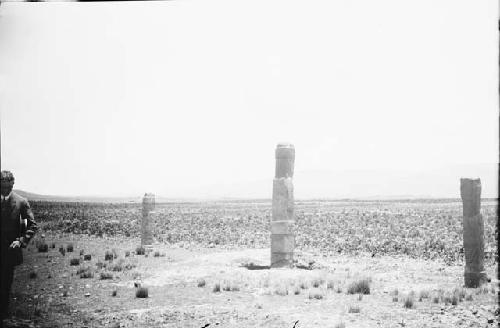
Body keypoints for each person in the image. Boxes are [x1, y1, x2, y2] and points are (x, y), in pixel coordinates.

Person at [1, 171, 38, 319]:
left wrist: (21, 241)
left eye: (7, 187)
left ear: (12, 185)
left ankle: (3, 314)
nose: (4, 190)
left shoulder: (21, 201)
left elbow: (32, 225)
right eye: (2, 187)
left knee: (6, 283)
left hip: (10, 250)